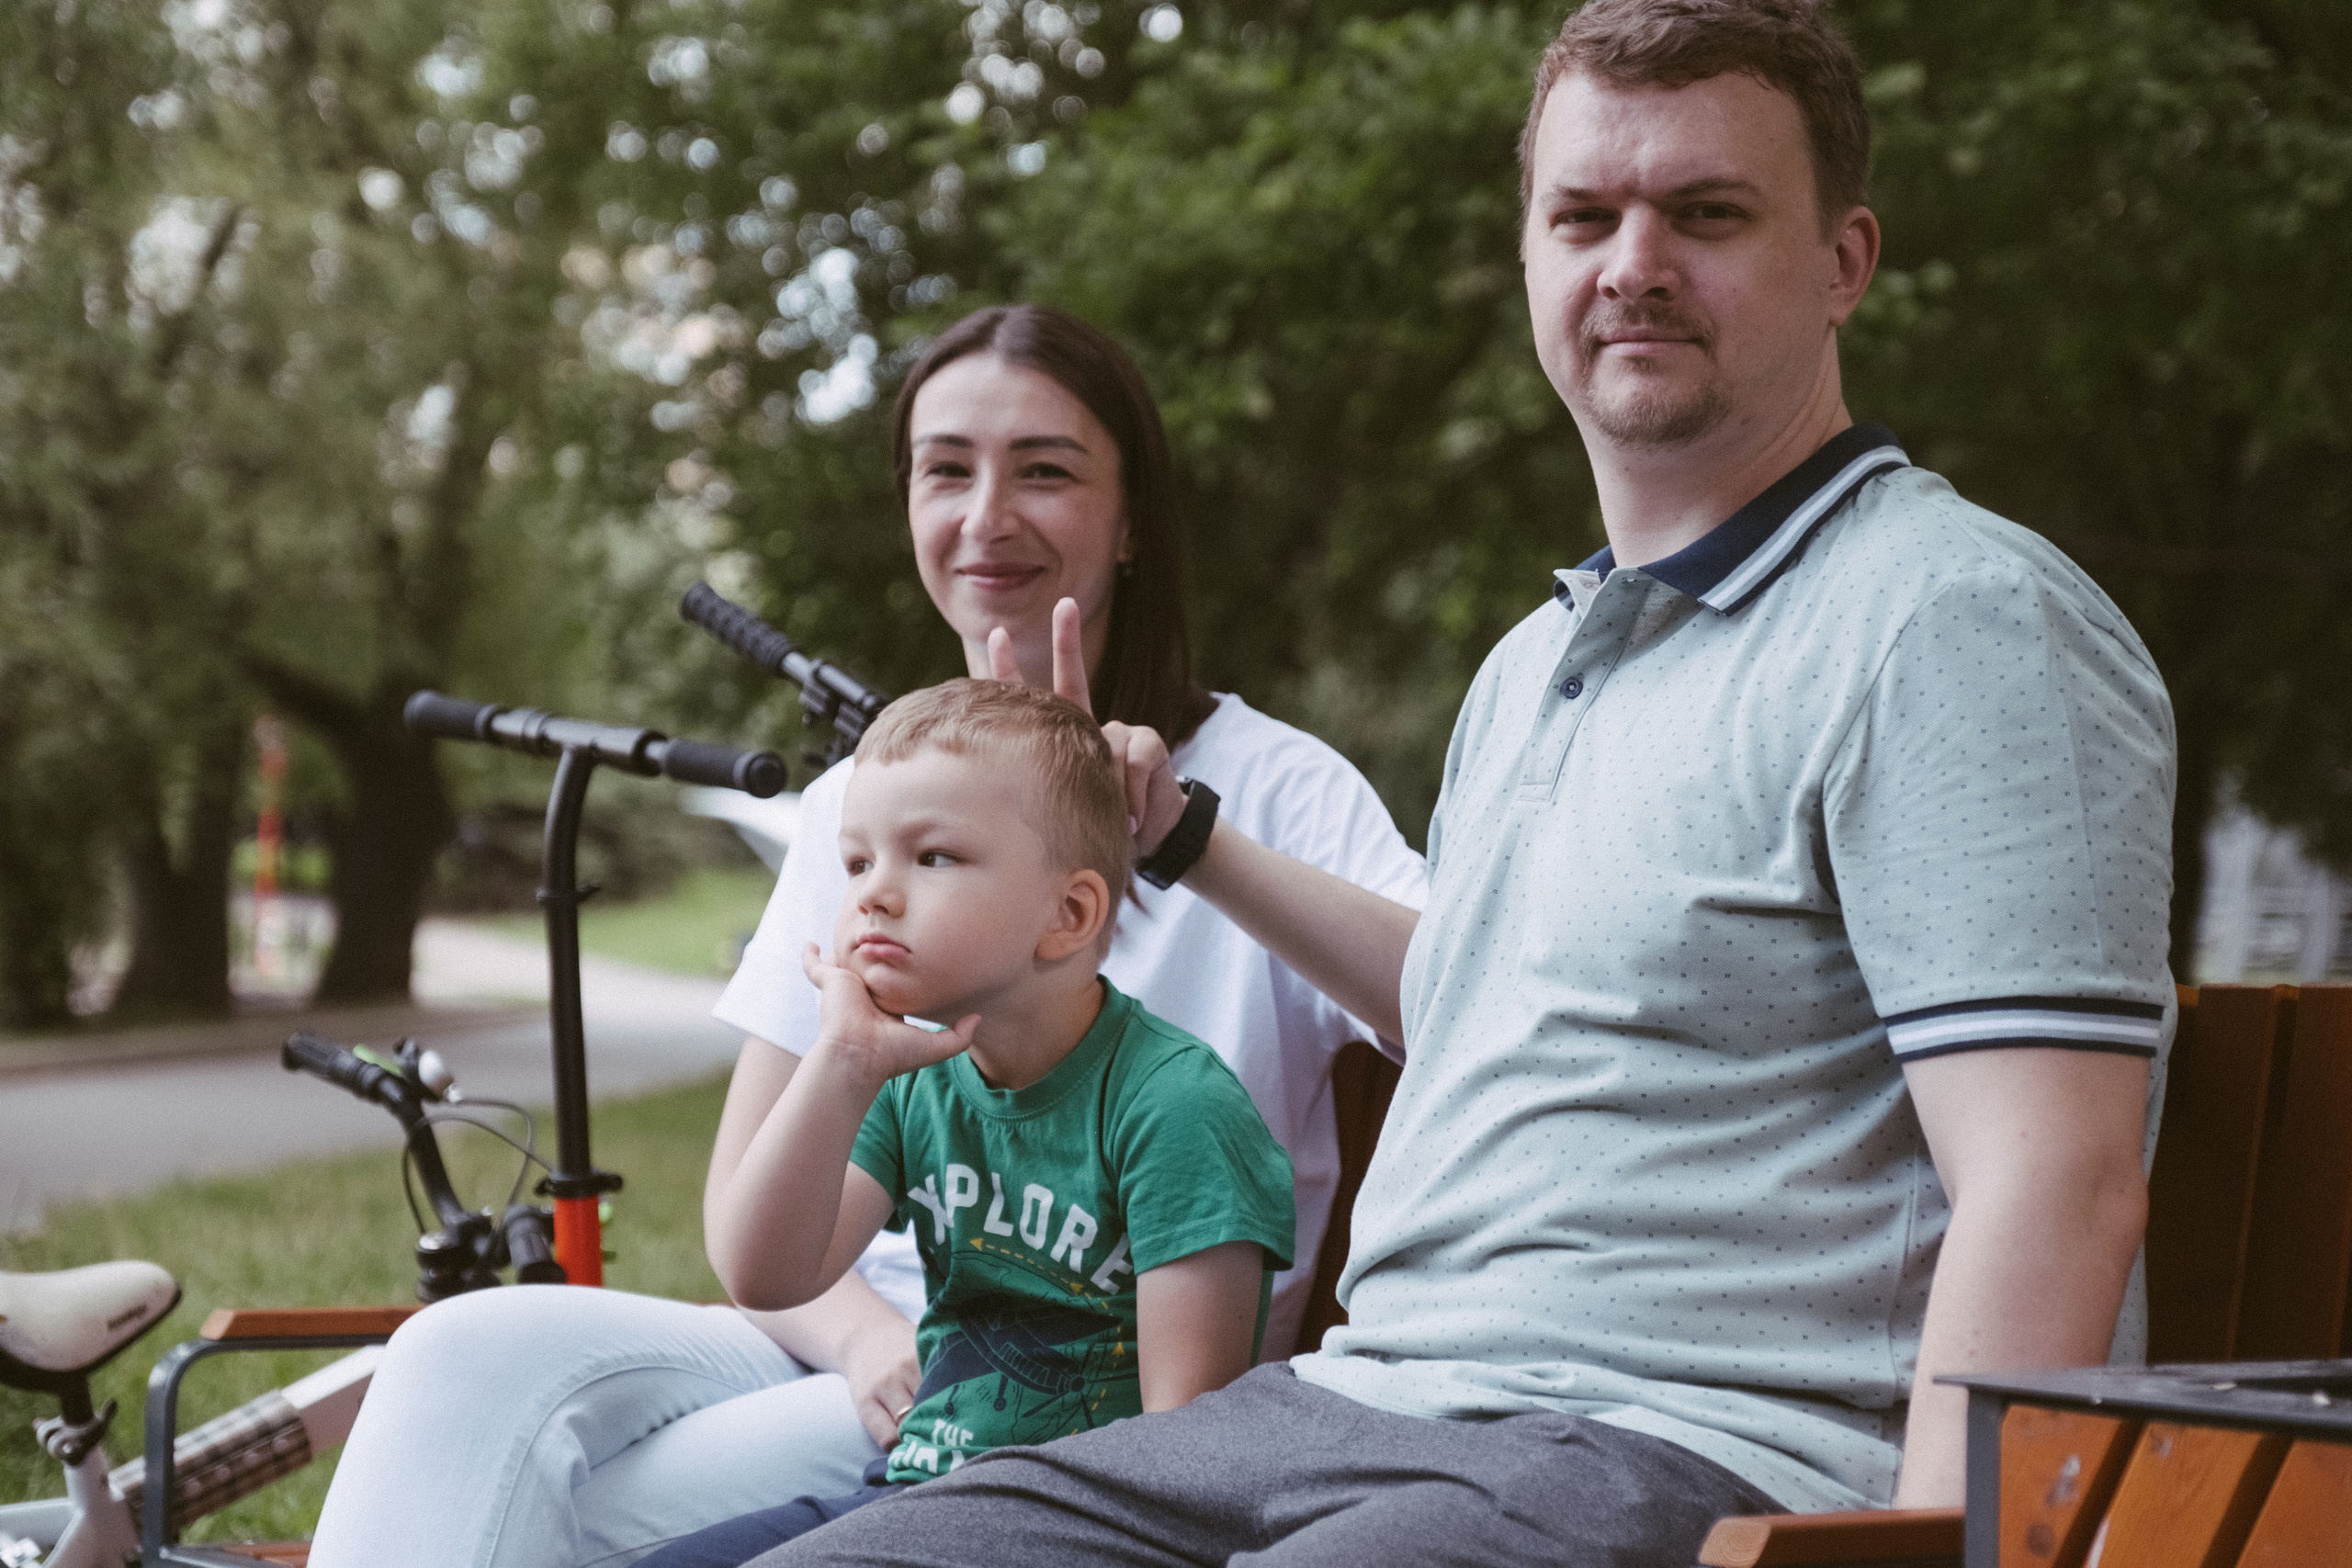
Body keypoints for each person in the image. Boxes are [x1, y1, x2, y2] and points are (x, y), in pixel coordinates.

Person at [735, 2, 2177, 1565]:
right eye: (1584, 217)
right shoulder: (1539, 660)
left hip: (1691, 1443)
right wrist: (1185, 838)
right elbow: (1478, 1004)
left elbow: (2056, 1177)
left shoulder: (1949, 618)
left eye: (1706, 213)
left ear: (1844, 260)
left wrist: (1942, 1552)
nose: (1633, 264)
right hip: (1357, 1407)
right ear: (1532, 259)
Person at [307, 305, 1424, 1568]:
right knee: (454, 1355)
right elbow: (752, 1221)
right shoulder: (866, 804)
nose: (987, 514)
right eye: (946, 469)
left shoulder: (1274, 787)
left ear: (1132, 523)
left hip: (1066, 1412)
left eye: (1044, 469)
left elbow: (1465, 1003)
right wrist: (861, 1341)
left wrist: (1181, 838)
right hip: (851, 1350)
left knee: (543, 1512)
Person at [634, 678, 1295, 1568]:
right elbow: (765, 1271)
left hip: (1086, 1528)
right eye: (857, 863)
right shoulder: (908, 1078)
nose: (874, 893)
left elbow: (1182, 1462)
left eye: (933, 857)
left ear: (1068, 915)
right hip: (918, 1489)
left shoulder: (1175, 1106)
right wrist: (839, 1060)